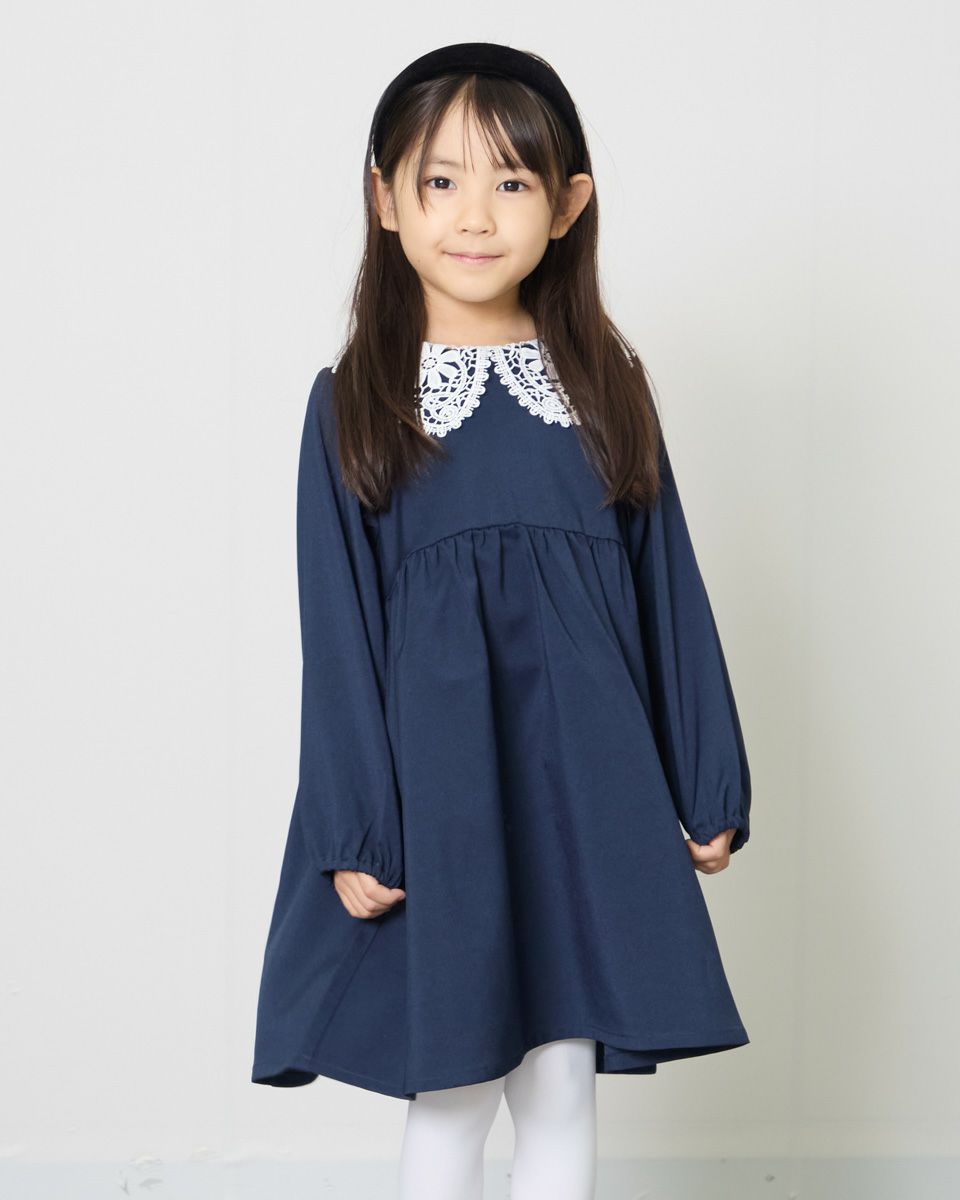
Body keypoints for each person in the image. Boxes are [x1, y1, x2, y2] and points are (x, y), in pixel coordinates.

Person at [251, 41, 753, 1200]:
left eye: (511, 181)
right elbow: (337, 633)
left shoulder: (605, 386)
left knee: (562, 1081)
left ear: (567, 205)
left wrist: (707, 780)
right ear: (385, 198)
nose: (474, 215)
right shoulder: (356, 405)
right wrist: (357, 827)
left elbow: (668, 586)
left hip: (587, 789)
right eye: (440, 180)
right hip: (443, 800)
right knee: (456, 1087)